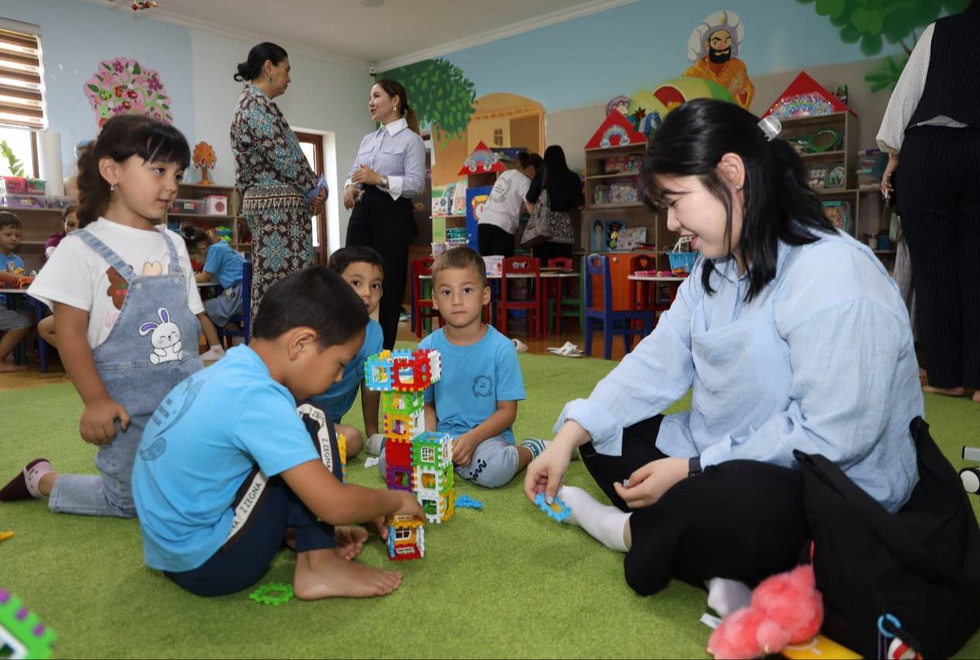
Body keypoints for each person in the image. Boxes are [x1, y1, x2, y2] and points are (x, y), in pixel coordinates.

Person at [524, 98, 922, 616]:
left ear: (732, 174)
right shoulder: (713, 269)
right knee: (602, 435)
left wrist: (692, 470)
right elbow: (654, 362)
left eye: (676, 201)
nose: (672, 224)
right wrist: (566, 439)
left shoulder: (834, 274)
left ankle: (624, 529)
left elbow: (833, 437)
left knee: (742, 501)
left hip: (824, 488)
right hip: (720, 459)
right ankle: (715, 552)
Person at [131, 266, 425, 599]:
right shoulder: (260, 398)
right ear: (301, 344)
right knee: (310, 418)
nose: (340, 377)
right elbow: (335, 505)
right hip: (211, 560)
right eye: (340, 363)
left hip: (174, 554)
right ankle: (319, 566)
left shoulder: (229, 371)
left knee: (285, 453)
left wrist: (301, 523)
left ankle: (302, 535)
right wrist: (392, 500)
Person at [0, 114, 205, 518]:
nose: (172, 185)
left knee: (196, 484)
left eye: (178, 174)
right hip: (124, 406)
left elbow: (188, 319)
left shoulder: (174, 244)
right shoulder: (81, 248)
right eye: (159, 170)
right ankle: (43, 479)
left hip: (186, 398)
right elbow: (69, 333)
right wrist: (95, 401)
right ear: (112, 171)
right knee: (129, 502)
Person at [876, 0, 980, 404]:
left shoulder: (943, 30)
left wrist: (893, 157)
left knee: (933, 270)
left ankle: (946, 376)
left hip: (929, 150)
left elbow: (907, 94)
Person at [380, 247, 545, 488]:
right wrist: (428, 440)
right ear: (435, 300)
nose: (456, 301)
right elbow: (426, 405)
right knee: (389, 462)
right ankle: (432, 457)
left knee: (493, 470)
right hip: (442, 434)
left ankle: (532, 449)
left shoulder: (501, 348)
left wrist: (471, 439)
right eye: (446, 292)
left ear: (485, 295)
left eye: (467, 290)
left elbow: (507, 412)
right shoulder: (427, 347)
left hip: (486, 438)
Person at [230, 42, 327, 327]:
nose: (289, 78)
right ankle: (276, 347)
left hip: (282, 211)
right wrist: (315, 187)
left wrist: (312, 191)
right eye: (286, 70)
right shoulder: (254, 106)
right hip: (276, 214)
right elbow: (284, 157)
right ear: (269, 68)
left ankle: (290, 344)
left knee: (288, 284)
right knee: (281, 286)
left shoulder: (260, 105)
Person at [343, 79, 426, 350]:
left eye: (376, 96)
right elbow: (354, 173)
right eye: (370, 97)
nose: (371, 102)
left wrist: (379, 178)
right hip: (363, 212)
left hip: (392, 214)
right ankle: (352, 346)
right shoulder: (368, 139)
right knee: (352, 275)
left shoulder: (412, 140)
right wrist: (350, 188)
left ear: (395, 101)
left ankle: (384, 353)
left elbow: (416, 184)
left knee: (389, 283)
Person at [309, 246, 385, 458]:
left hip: (329, 422)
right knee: (351, 440)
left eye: (375, 286)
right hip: (295, 413)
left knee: (351, 441)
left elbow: (371, 386)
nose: (366, 293)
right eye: (356, 283)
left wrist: (373, 434)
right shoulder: (315, 326)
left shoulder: (375, 333)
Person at [183, 227, 246, 359]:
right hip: (239, 291)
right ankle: (241, 344)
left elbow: (205, 277)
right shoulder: (223, 246)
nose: (198, 262)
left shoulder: (214, 250)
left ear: (202, 249)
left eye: (195, 258)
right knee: (218, 308)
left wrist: (186, 276)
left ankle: (216, 349)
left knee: (201, 308)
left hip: (237, 292)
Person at [524, 145, 584, 263]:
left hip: (543, 231)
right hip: (564, 229)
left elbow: (529, 199)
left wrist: (536, 214)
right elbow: (580, 205)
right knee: (563, 266)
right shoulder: (573, 178)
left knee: (543, 266)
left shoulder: (540, 176)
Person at [478, 152, 542, 257]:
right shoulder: (526, 182)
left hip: (483, 223)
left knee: (487, 264)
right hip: (502, 227)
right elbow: (531, 209)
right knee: (504, 264)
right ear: (532, 168)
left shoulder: (506, 173)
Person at [0, 212, 33, 373]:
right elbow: (3, 276)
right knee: (22, 322)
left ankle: (29, 352)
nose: (14, 238)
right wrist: (27, 279)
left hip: (11, 302)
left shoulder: (17, 260)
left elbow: (20, 282)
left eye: (17, 236)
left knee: (33, 316)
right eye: (8, 234)